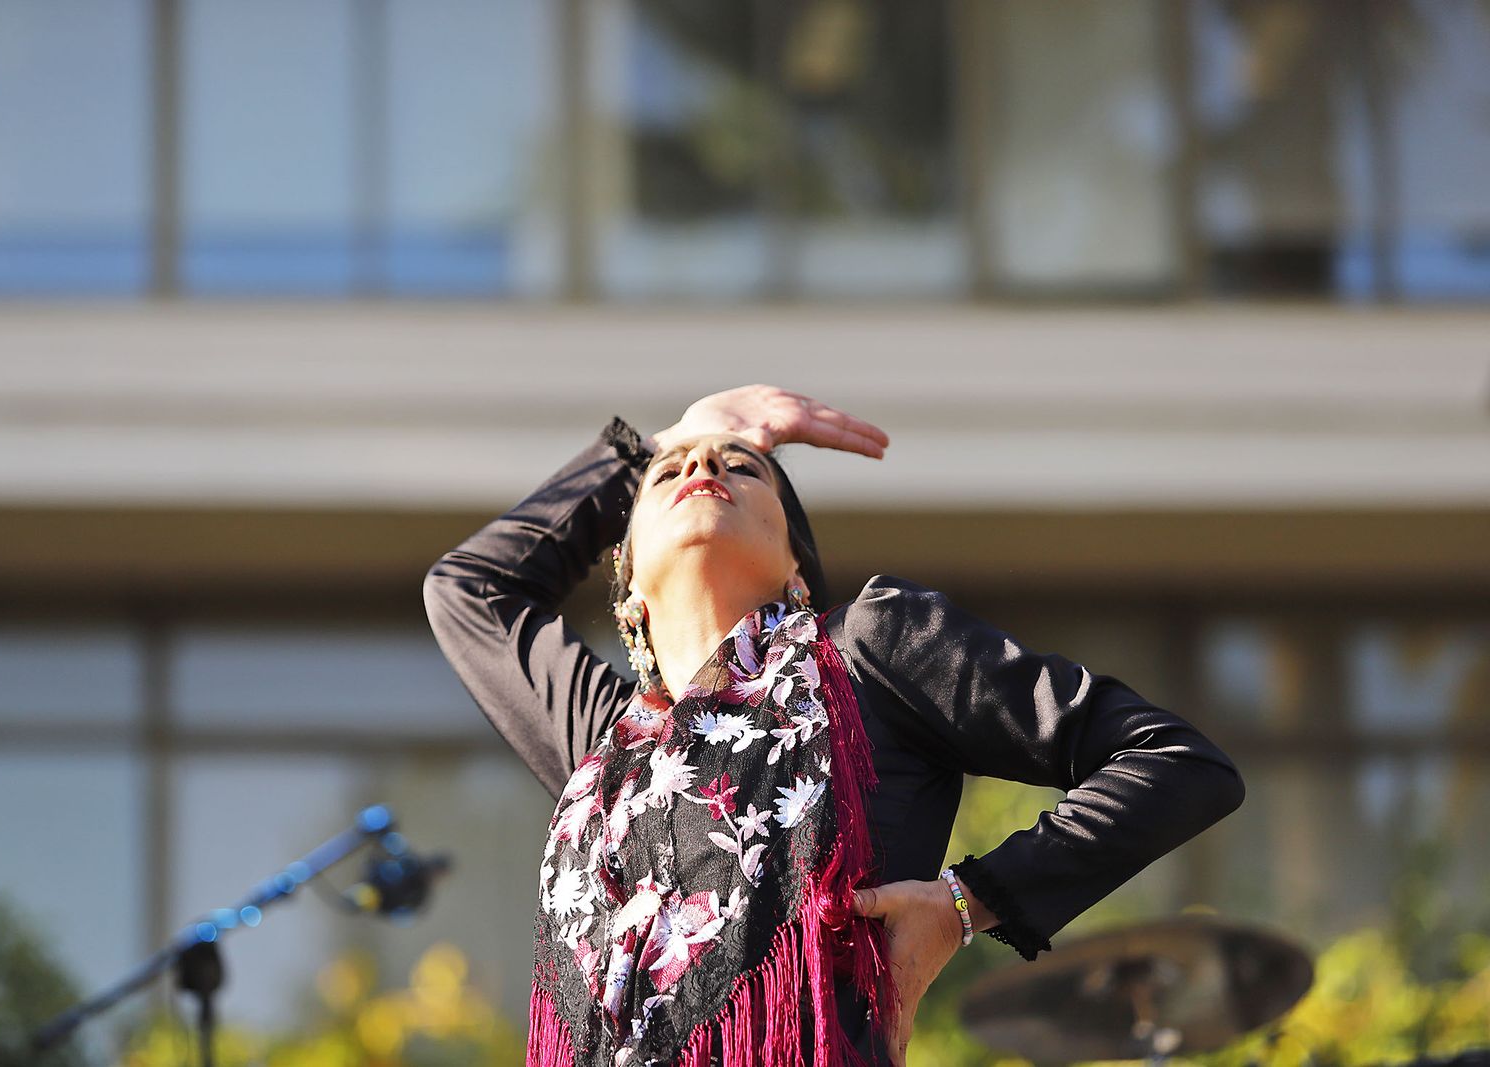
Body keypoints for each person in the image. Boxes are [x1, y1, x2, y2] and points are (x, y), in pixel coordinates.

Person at [423, 385, 1246, 1067]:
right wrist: (663, 437)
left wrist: (968, 902)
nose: (703, 465)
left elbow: (1175, 762)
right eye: (668, 474)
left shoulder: (867, 649)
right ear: (626, 577)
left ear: (795, 568)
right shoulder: (604, 742)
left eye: (741, 465)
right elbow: (467, 590)